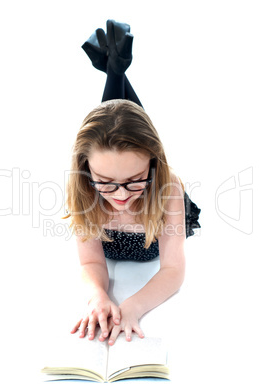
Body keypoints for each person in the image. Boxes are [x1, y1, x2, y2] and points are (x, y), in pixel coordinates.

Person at [64, 20, 201, 346]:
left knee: (129, 116)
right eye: (106, 182)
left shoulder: (167, 192)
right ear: (86, 172)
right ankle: (116, 71)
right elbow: (91, 260)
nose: (121, 195)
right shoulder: (84, 191)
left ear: (154, 165)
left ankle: (116, 72)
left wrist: (132, 307)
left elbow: (172, 270)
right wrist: (97, 295)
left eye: (135, 180)